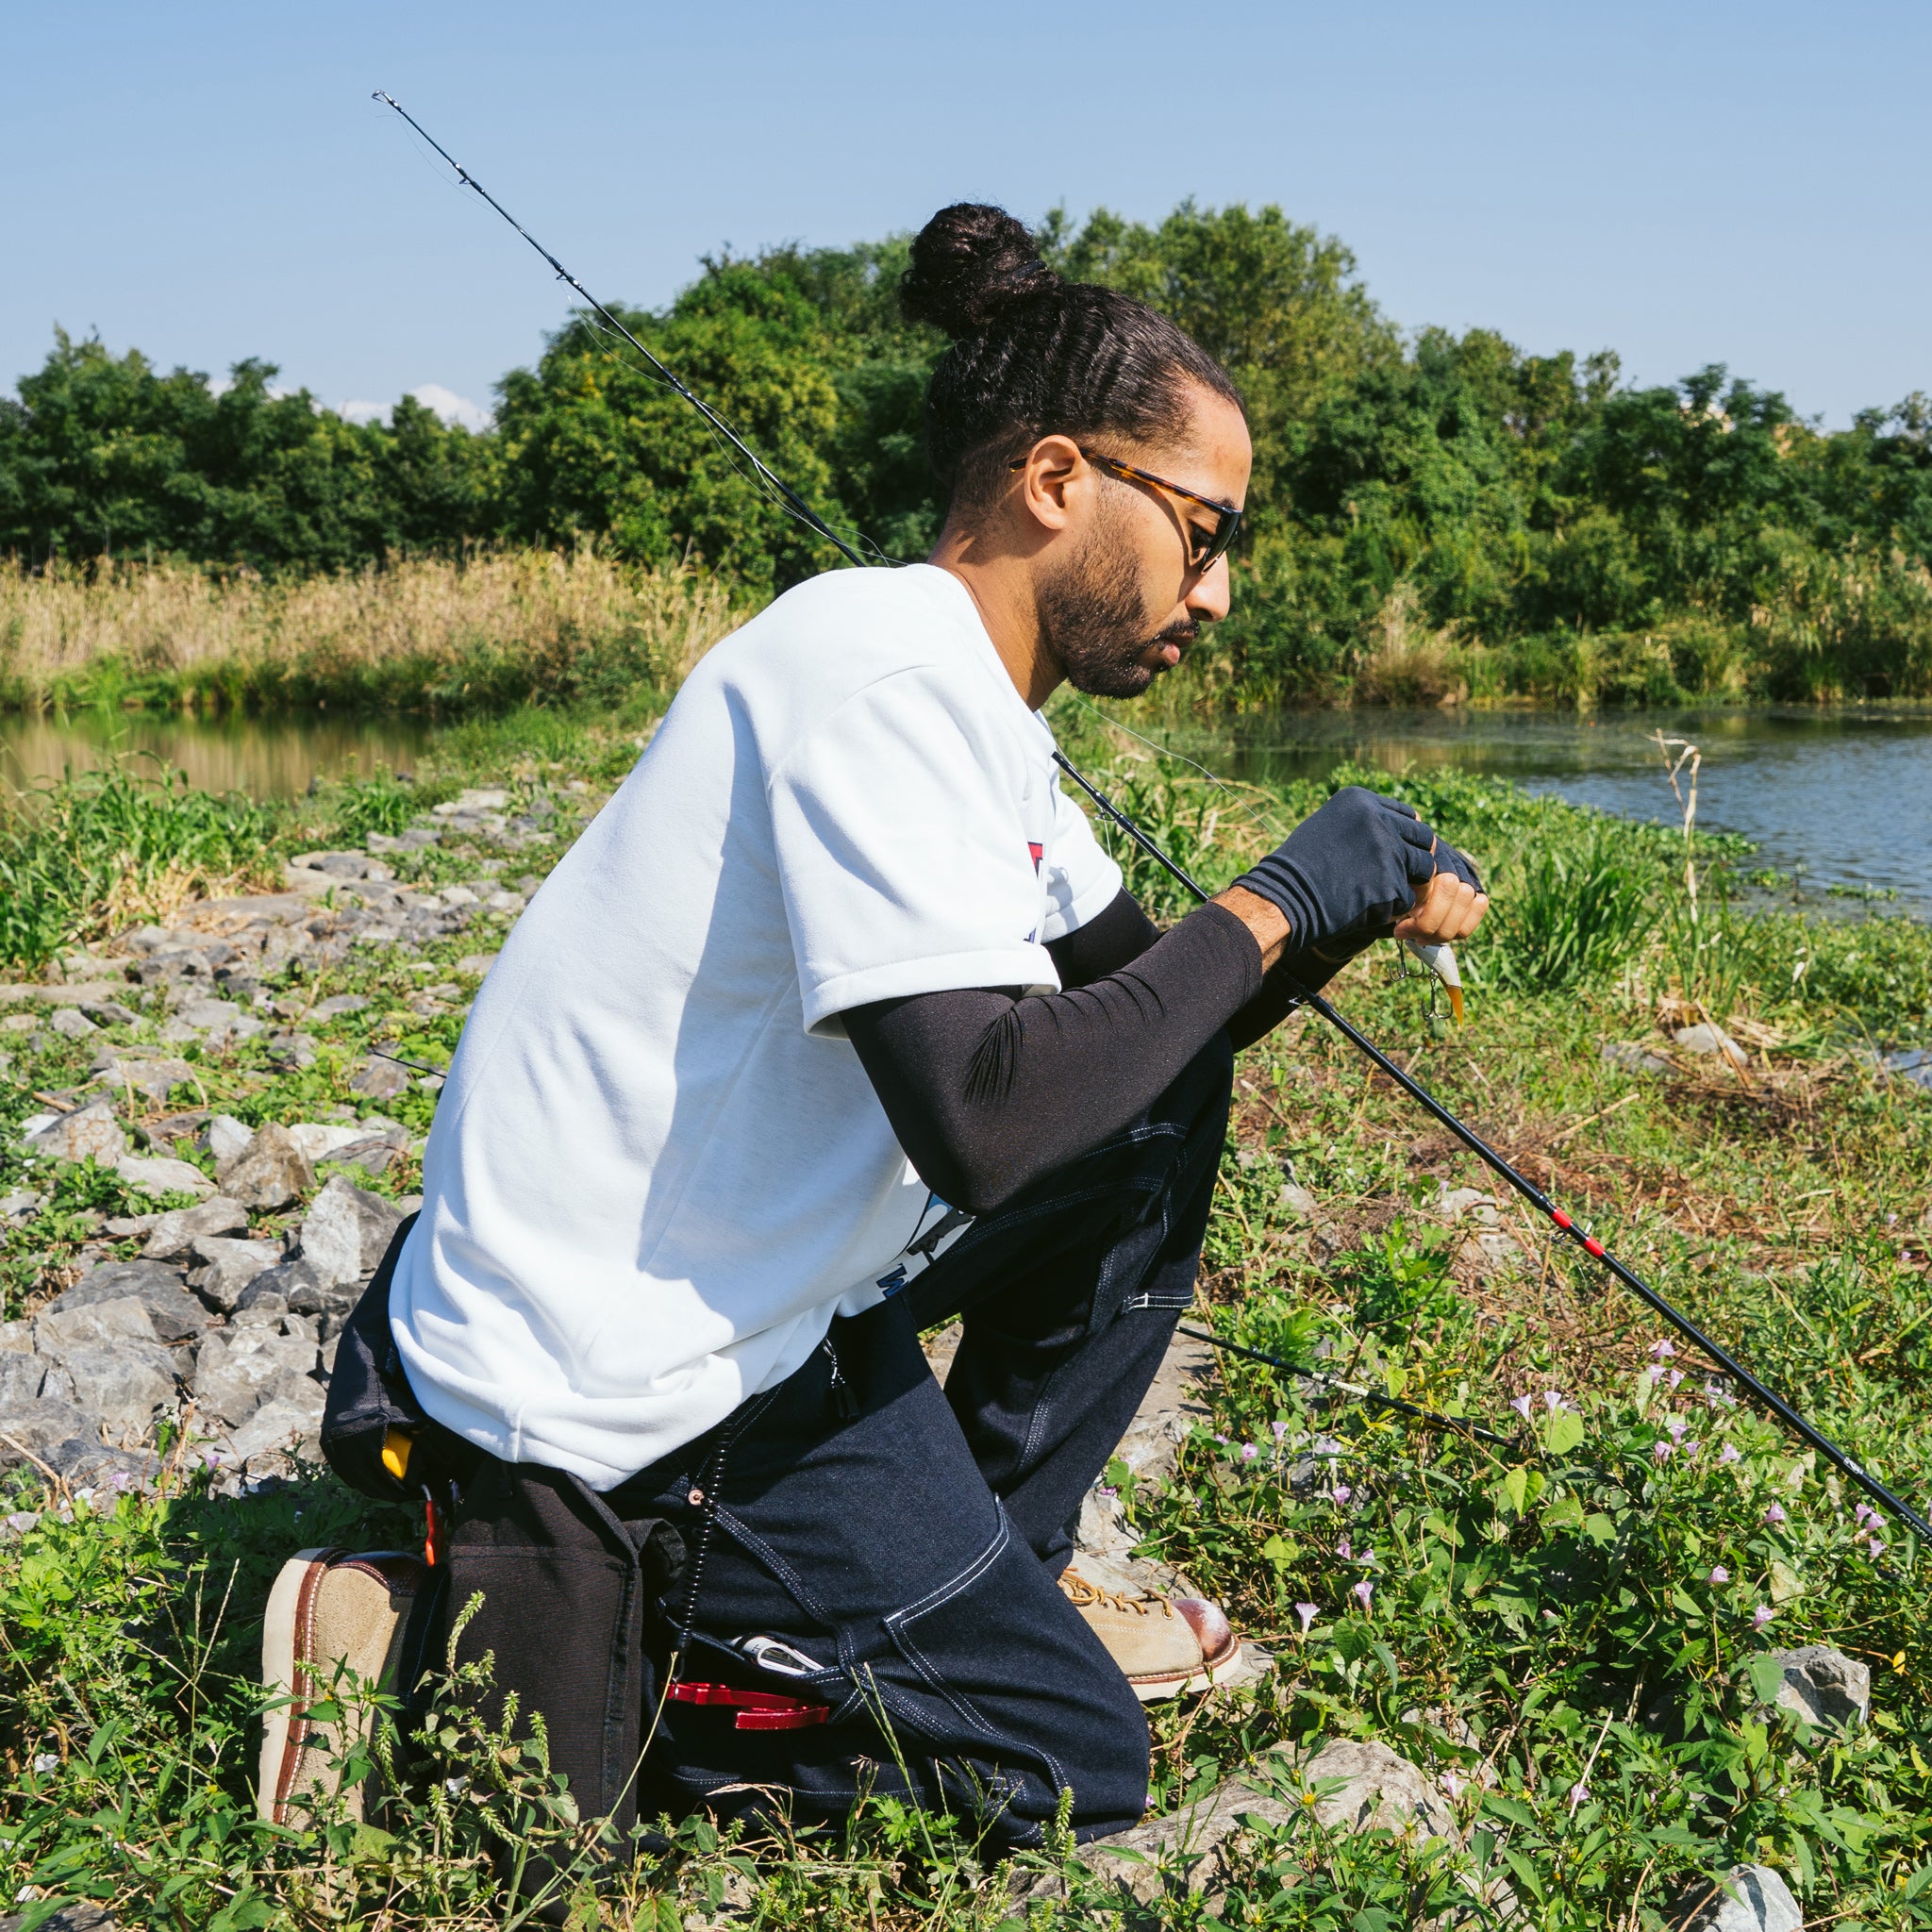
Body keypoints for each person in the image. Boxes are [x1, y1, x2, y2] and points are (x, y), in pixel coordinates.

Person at [269, 203, 1488, 1854]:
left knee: (1151, 1121)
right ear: (1060, 482)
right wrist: (1275, 893)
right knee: (1061, 1760)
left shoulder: (974, 716)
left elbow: (1145, 1032)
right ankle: (438, 1632)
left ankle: (998, 1573)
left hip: (749, 1285)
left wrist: (1347, 898)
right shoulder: (881, 680)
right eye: (1204, 530)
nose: (1220, 589)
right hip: (630, 1370)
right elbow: (986, 1118)